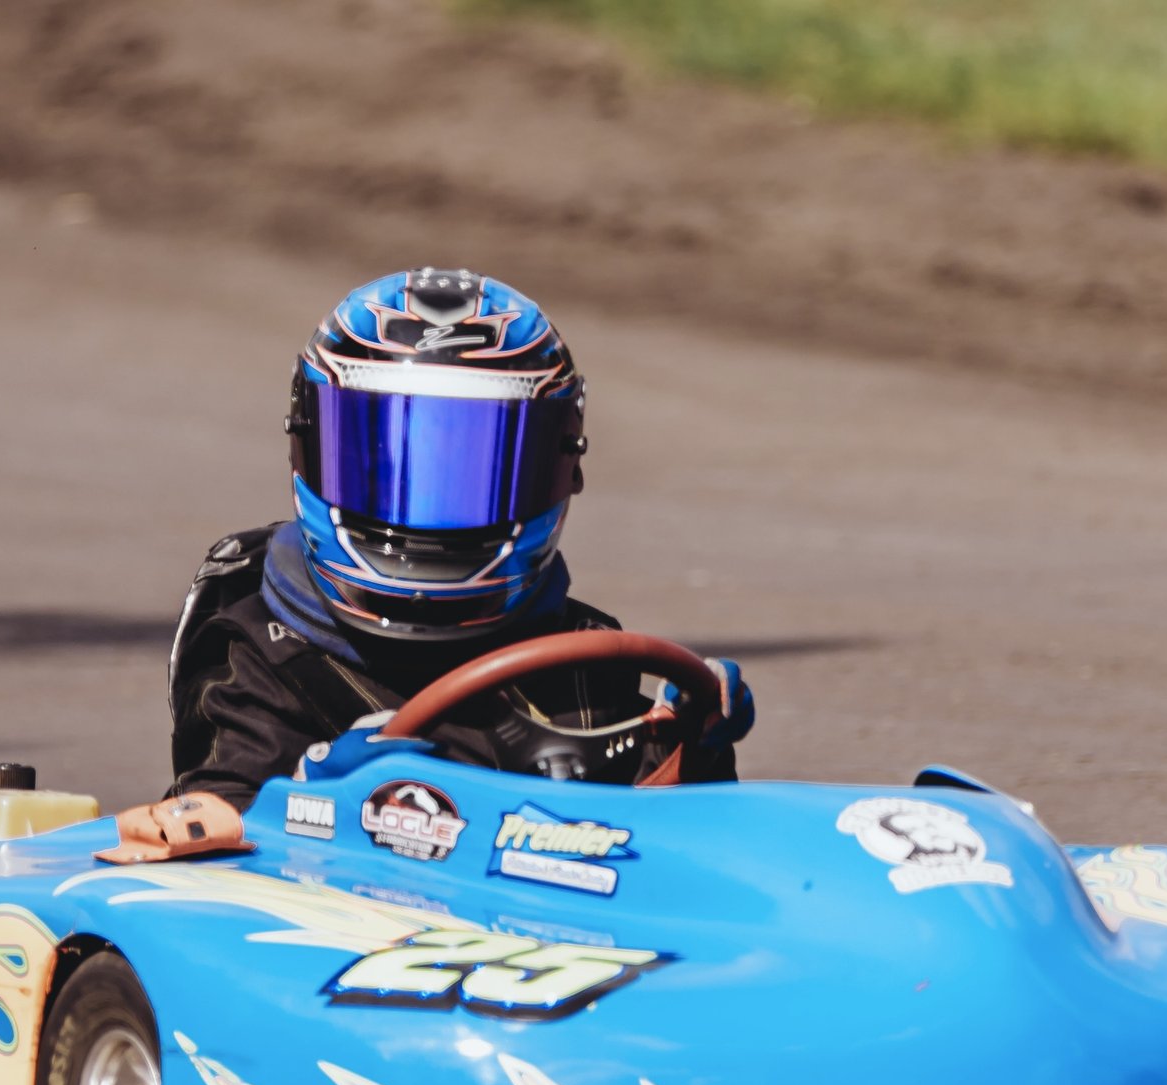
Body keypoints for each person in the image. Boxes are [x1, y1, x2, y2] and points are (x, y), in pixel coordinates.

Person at [99, 268, 752, 864]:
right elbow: (217, 824)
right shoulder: (264, 645)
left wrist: (693, 747)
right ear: (310, 449)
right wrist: (317, 796)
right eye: (392, 468)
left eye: (469, 472)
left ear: (558, 466)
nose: (427, 510)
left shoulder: (582, 659)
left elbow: (673, 862)